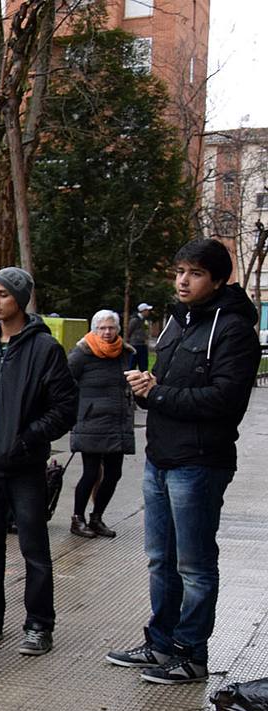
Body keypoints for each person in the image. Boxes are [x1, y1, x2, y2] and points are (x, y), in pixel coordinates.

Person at [108, 239, 260, 685]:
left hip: (199, 463)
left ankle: (191, 654)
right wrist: (147, 385)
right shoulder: (179, 323)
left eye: (194, 273)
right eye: (179, 271)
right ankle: (160, 645)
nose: (182, 280)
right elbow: (169, 385)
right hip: (160, 458)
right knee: (160, 559)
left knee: (194, 565)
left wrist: (158, 393)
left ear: (217, 279)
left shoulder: (232, 330)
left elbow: (225, 400)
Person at [0, 267, 77, 656]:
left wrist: (27, 438)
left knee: (34, 549)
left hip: (24, 467)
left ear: (20, 300)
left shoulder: (45, 349)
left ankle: (40, 625)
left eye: (3, 294)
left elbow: (65, 408)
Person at [66, 310, 135, 539]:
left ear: (118, 330)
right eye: (102, 328)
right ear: (94, 330)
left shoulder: (124, 353)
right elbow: (65, 383)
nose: (107, 332)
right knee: (91, 472)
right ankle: (78, 518)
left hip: (117, 421)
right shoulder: (81, 353)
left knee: (114, 473)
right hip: (91, 423)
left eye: (111, 328)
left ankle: (97, 517)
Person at [126, 302, 152, 372]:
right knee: (132, 364)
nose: (148, 312)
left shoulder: (144, 320)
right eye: (147, 310)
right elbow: (129, 331)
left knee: (143, 365)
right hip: (135, 345)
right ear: (143, 311)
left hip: (142, 344)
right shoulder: (134, 320)